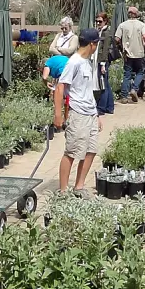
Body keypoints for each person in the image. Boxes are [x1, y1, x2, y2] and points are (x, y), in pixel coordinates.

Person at [54, 29, 102, 194]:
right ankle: (62, 191)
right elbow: (60, 88)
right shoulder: (73, 62)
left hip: (90, 113)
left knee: (91, 150)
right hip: (77, 113)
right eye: (97, 43)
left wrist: (96, 114)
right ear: (91, 44)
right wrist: (58, 115)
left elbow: (88, 92)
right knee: (72, 152)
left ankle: (79, 187)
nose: (97, 47)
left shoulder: (88, 62)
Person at [115, 6, 145, 102]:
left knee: (127, 74)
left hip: (127, 53)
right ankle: (134, 89)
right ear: (136, 14)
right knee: (141, 72)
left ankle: (124, 96)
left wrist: (120, 47)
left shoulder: (122, 25)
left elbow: (117, 39)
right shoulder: (141, 25)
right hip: (139, 52)